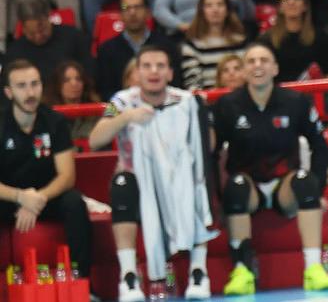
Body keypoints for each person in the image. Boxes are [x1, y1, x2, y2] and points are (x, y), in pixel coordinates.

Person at [89, 44, 216, 302]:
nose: (153, 71)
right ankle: (129, 278)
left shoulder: (187, 100)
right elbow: (94, 139)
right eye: (147, 66)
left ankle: (198, 271)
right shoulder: (120, 101)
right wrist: (126, 118)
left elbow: (208, 145)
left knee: (198, 182)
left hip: (177, 181)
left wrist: (201, 118)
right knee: (122, 184)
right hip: (137, 182)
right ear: (137, 72)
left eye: (160, 66)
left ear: (170, 73)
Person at [212, 43, 328, 295]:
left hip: (284, 187)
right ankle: (242, 271)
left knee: (305, 181)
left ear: (275, 68)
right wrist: (216, 200)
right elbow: (211, 154)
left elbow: (319, 146)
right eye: (251, 61)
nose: (258, 65)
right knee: (235, 187)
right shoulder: (227, 105)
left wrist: (319, 190)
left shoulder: (296, 102)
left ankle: (313, 269)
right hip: (248, 189)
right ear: (244, 71)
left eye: (264, 60)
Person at [0, 60, 93, 279]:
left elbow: (67, 176)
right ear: (8, 92)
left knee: (74, 203)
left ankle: (83, 283)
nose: (30, 92)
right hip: (9, 196)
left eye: (35, 84)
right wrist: (21, 197)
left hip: (46, 196)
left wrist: (37, 199)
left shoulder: (55, 122)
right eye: (21, 86)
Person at [92, 0, 178, 103]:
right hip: (122, 110)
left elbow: (176, 84)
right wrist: (121, 111)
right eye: (126, 8)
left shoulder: (166, 46)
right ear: (120, 15)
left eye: (137, 7)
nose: (132, 12)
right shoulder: (107, 49)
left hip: (163, 107)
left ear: (148, 12)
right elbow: (105, 91)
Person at [4, 0, 91, 92]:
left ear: (49, 18)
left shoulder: (74, 38)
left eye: (42, 30)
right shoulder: (14, 51)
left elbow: (89, 73)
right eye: (32, 33)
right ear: (23, 28)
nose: (38, 36)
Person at [179, 0, 248, 90]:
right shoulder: (192, 46)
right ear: (202, 11)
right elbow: (193, 85)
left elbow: (248, 76)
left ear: (227, 10)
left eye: (220, 4)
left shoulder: (241, 42)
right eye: (209, 5)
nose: (215, 10)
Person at [260, 0, 328, 82]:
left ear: (305, 6)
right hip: (280, 94)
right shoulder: (267, 40)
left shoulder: (320, 36)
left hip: (313, 94)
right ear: (280, 7)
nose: (291, 2)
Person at [45, 60, 99, 142]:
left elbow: (113, 111)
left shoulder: (97, 109)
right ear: (57, 85)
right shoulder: (47, 113)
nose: (74, 83)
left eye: (78, 79)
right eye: (66, 80)